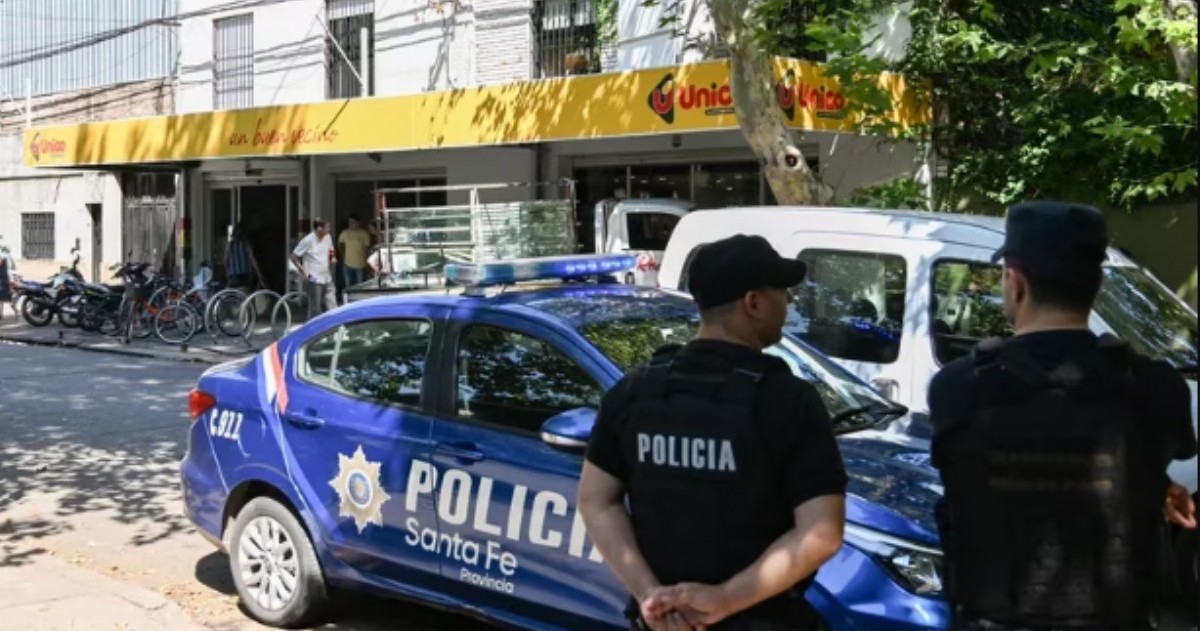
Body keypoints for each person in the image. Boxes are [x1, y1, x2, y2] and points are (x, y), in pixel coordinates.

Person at [928, 201, 1198, 631]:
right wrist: (1154, 484)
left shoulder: (957, 389)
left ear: (1014, 282)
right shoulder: (1156, 388)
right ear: (1098, 285)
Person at [578, 234, 847, 631]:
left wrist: (650, 596)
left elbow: (595, 502)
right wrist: (723, 600)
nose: (787, 304)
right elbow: (822, 533)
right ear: (753, 303)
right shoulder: (789, 400)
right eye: (781, 293)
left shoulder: (634, 393)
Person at [290, 219, 337, 319]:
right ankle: (313, 329)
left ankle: (335, 326)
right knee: (315, 308)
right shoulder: (308, 240)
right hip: (313, 277)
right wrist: (302, 270)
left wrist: (332, 257)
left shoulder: (327, 237)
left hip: (326, 276)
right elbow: (294, 257)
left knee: (332, 303)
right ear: (319, 229)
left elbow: (331, 249)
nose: (329, 230)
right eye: (327, 228)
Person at [337, 214, 372, 291]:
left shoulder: (364, 234)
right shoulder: (345, 233)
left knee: (360, 287)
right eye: (350, 222)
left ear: (358, 223)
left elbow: (367, 248)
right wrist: (343, 255)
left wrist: (367, 261)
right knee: (348, 286)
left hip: (360, 264)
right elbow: (340, 244)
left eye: (353, 222)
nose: (351, 224)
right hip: (347, 264)